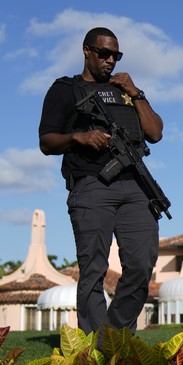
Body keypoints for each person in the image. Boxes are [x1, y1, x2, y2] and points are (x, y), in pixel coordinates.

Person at [38, 27, 162, 336]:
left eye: (116, 56)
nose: (110, 61)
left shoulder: (126, 90)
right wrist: (78, 136)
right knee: (93, 269)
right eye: (104, 53)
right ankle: (95, 351)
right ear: (86, 51)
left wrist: (136, 93)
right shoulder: (66, 89)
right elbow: (46, 141)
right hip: (91, 185)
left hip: (136, 187)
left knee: (140, 264)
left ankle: (112, 341)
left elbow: (156, 133)